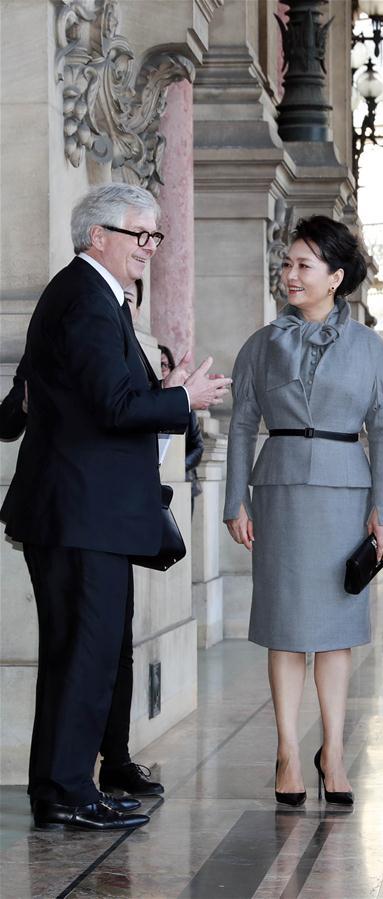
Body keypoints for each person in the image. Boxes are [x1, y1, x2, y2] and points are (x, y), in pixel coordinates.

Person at [0, 183, 231, 831]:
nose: (151, 249)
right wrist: (185, 399)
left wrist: (165, 390)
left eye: (156, 237)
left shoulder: (96, 298)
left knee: (83, 651)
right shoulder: (86, 301)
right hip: (80, 511)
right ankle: (69, 791)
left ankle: (59, 788)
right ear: (97, 235)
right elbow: (112, 409)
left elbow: (101, 397)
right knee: (83, 653)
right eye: (142, 235)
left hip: (83, 509)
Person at [224, 215, 383, 806]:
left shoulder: (372, 352)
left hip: (346, 497)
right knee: (285, 628)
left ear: (335, 277)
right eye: (287, 263)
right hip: (277, 496)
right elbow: (243, 425)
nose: (289, 274)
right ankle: (287, 752)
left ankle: (334, 751)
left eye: (303, 265)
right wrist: (234, 500)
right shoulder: (261, 344)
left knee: (335, 634)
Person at [159, 345, 204, 516]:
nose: (161, 369)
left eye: (164, 364)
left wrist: (179, 466)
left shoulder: (185, 406)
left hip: (182, 483)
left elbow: (198, 446)